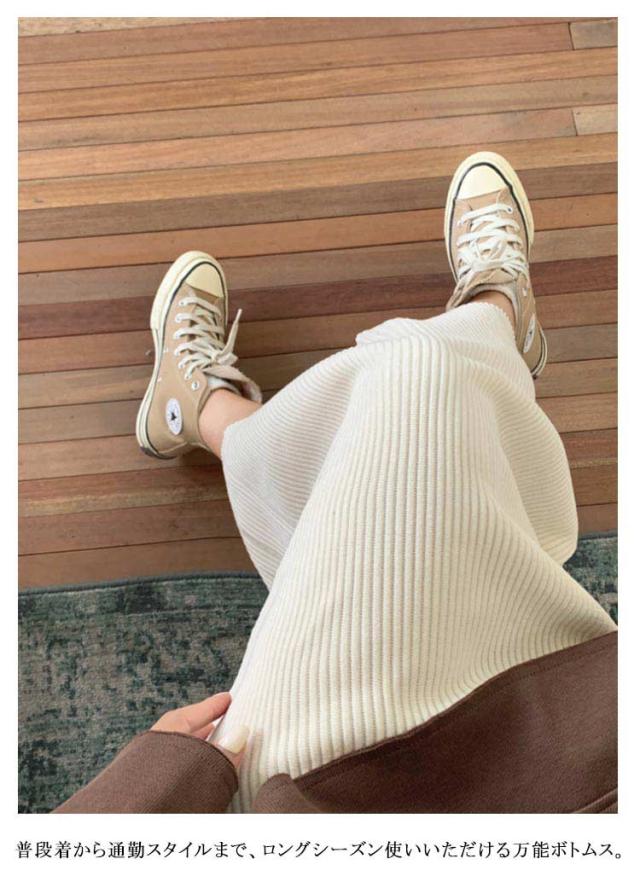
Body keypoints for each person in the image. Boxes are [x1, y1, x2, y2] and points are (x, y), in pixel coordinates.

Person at [54, 152, 617, 814]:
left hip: (312, 803)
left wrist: (151, 790)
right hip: (582, 737)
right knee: (421, 381)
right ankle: (496, 319)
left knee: (416, 373)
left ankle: (212, 413)